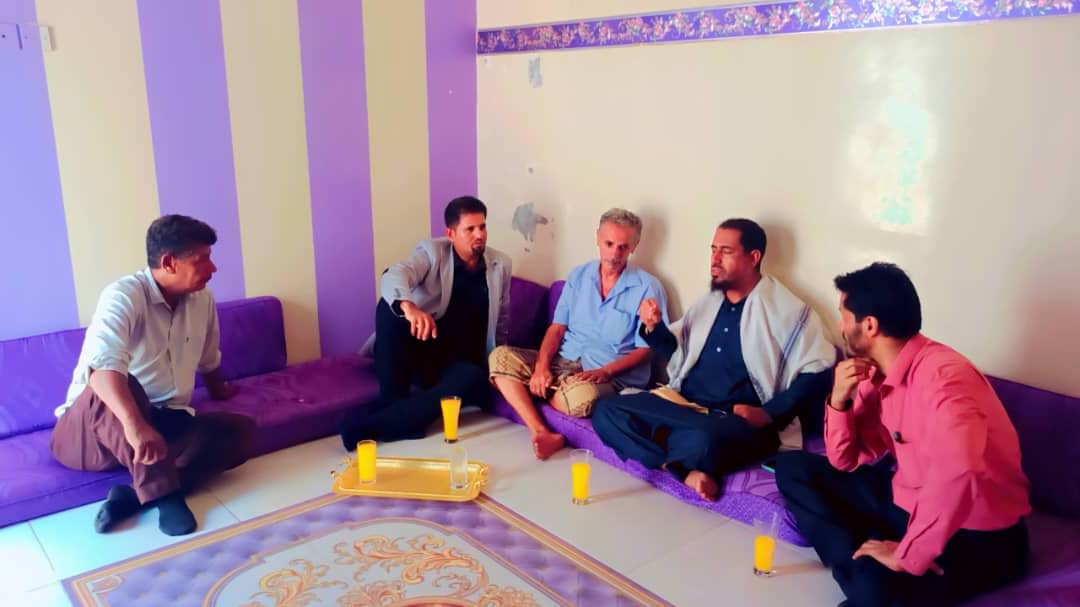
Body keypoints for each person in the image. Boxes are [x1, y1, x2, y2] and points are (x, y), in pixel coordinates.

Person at [775, 262, 1031, 607]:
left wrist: (909, 555)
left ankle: (872, 567)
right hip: (908, 501)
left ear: (869, 325)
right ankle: (861, 558)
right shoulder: (877, 373)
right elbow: (845, 460)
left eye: (842, 316)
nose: (839, 326)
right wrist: (839, 401)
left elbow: (962, 470)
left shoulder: (945, 378)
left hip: (975, 532)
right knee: (792, 468)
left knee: (874, 587)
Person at [592, 218, 834, 500]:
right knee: (606, 411)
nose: (715, 259)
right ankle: (679, 468)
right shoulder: (710, 302)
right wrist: (653, 326)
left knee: (706, 442)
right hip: (682, 405)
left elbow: (818, 369)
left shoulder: (786, 310)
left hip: (730, 421)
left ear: (753, 257)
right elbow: (677, 355)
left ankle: (666, 451)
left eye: (726, 251)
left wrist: (769, 413)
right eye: (713, 250)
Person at [51, 215, 254, 536]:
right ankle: (167, 496)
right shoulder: (123, 295)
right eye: (202, 259)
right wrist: (135, 425)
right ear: (169, 262)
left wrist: (220, 392)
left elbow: (208, 358)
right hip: (91, 435)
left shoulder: (202, 299)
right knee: (118, 382)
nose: (213, 268)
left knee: (240, 432)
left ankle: (132, 497)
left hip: (161, 422)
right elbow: (102, 369)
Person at [488, 209, 667, 459]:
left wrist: (606, 371)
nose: (615, 254)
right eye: (609, 244)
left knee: (580, 399)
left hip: (609, 375)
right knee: (500, 357)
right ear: (597, 238)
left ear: (634, 247)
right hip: (564, 361)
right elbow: (557, 328)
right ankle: (541, 430)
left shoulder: (648, 287)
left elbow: (647, 349)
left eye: (623, 247)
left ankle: (538, 391)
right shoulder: (579, 276)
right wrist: (541, 366)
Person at [340, 196, 512, 448]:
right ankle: (395, 402)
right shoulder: (433, 252)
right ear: (451, 234)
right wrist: (409, 308)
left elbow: (502, 319)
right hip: (422, 347)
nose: (479, 235)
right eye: (470, 229)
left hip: (460, 363)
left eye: (482, 227)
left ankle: (371, 425)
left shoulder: (500, 264)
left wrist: (498, 363)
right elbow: (394, 274)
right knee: (388, 307)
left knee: (472, 376)